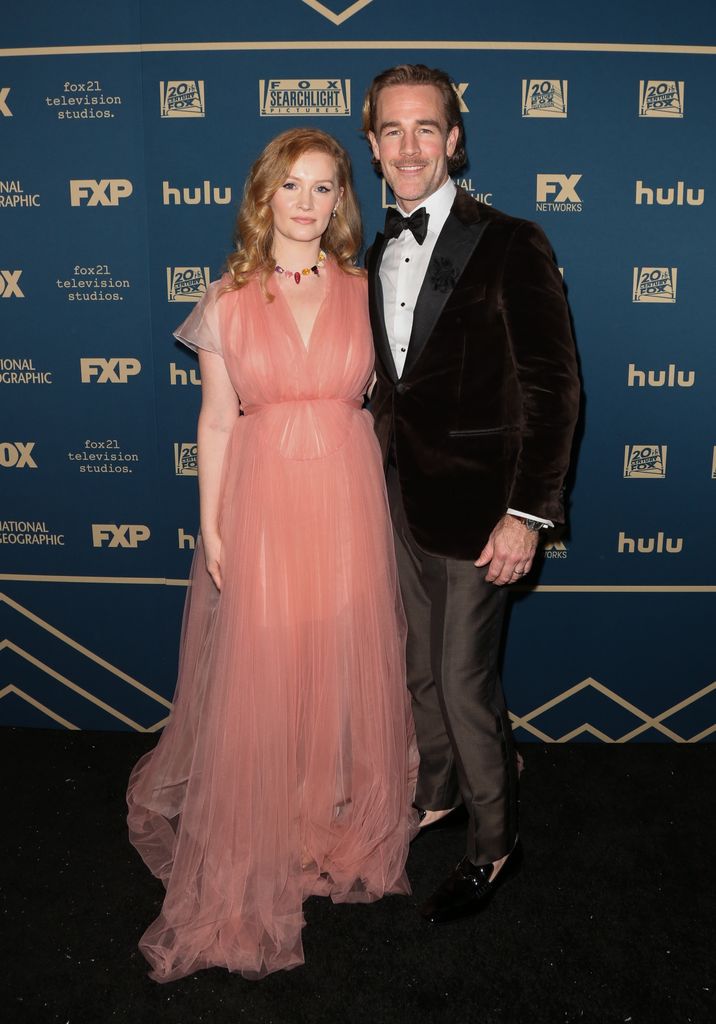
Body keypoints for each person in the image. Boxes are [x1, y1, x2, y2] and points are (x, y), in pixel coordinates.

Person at [127, 127, 418, 982]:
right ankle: (265, 822)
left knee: (336, 652)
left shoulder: (368, 291)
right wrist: (213, 527)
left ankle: (318, 814)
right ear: (264, 195)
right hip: (260, 502)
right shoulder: (226, 299)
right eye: (291, 184)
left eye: (324, 187)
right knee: (268, 658)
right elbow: (217, 422)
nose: (307, 201)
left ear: (342, 201)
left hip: (347, 497)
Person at [362, 65, 580, 923]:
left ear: (454, 140)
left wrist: (528, 514)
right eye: (392, 130)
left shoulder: (511, 241)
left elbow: (553, 387)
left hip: (485, 511)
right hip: (401, 502)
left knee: (462, 681)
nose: (410, 146)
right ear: (373, 146)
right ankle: (440, 793)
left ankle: (496, 845)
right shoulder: (376, 253)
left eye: (427, 128)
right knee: (419, 670)